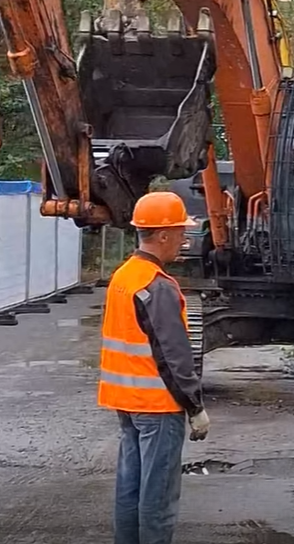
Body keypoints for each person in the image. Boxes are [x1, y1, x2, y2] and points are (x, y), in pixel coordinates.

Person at [98, 191, 211, 544]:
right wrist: (195, 406)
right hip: (158, 406)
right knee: (158, 496)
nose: (183, 238)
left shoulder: (124, 276)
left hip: (127, 402)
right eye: (180, 231)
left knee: (130, 487)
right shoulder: (157, 286)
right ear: (162, 235)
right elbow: (173, 355)